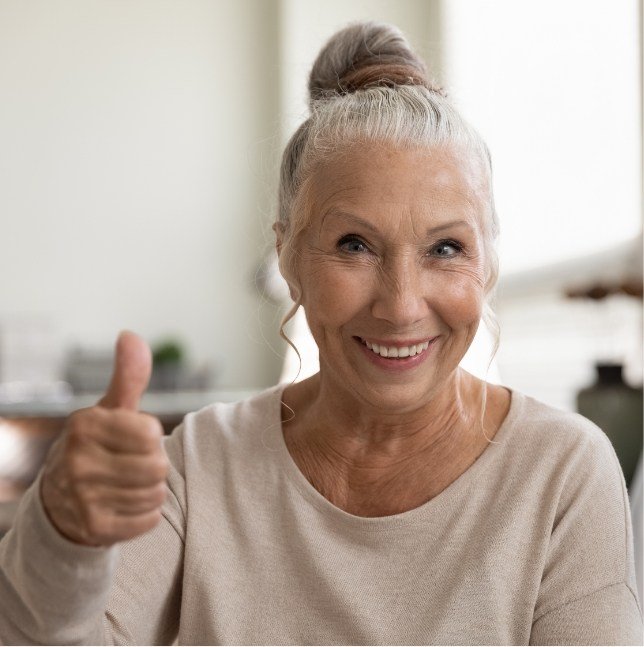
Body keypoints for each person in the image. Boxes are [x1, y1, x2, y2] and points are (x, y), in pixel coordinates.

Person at [0, 21, 641, 646]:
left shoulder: (562, 474)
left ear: (488, 264)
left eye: (446, 248)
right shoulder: (199, 467)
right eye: (354, 244)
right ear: (289, 257)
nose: (400, 305)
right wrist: (64, 536)